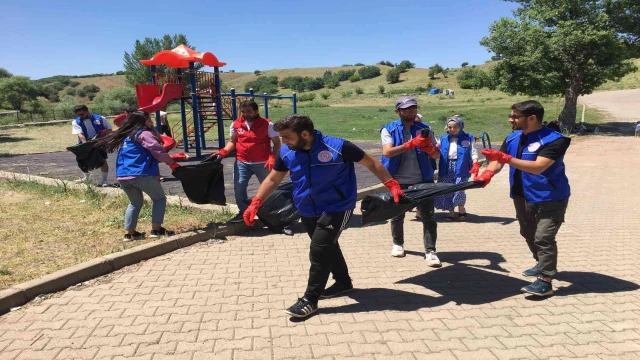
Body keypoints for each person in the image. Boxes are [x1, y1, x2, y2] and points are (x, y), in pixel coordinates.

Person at [242, 114, 404, 318]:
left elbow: (371, 163)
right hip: (307, 208)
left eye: (287, 137)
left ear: (305, 134)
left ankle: (310, 299)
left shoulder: (338, 147)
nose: (284, 142)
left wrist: (392, 185)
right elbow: (274, 179)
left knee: (319, 250)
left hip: (337, 206)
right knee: (328, 246)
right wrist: (256, 203)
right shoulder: (287, 151)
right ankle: (343, 283)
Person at [476, 100, 571, 297]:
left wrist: (505, 159)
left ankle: (545, 280)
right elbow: (497, 160)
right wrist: (487, 174)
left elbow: (538, 167)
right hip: (521, 195)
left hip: (550, 196)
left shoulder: (555, 140)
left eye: (515, 116)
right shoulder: (512, 138)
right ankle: (540, 263)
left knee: (543, 237)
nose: (510, 119)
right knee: (528, 233)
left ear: (532, 117)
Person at [96, 111, 181, 242]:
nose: (151, 123)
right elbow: (157, 150)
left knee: (135, 203)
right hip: (141, 173)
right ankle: (156, 229)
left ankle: (129, 233)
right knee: (159, 199)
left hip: (123, 175)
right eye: (148, 121)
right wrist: (172, 163)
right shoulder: (144, 133)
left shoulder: (126, 136)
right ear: (142, 122)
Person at [380, 96, 441, 267]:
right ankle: (398, 244)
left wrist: (429, 148)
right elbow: (388, 152)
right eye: (406, 110)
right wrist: (411, 144)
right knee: (397, 215)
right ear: (397, 111)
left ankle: (430, 251)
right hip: (398, 180)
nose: (410, 113)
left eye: (413, 109)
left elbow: (437, 155)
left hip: (424, 179)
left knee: (428, 217)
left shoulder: (425, 128)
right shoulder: (389, 129)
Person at [208, 100, 281, 222]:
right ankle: (243, 212)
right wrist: (223, 152)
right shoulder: (236, 124)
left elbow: (277, 143)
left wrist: (273, 156)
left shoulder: (268, 124)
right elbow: (232, 142)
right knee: (239, 186)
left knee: (269, 188)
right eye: (243, 112)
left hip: (263, 162)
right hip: (242, 162)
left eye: (249, 111)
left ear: (256, 111)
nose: (245, 114)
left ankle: (273, 214)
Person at [434, 116, 480, 221]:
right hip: (446, 166)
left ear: (460, 126)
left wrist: (476, 163)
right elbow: (436, 149)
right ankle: (451, 211)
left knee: (459, 188)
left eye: (455, 127)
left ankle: (461, 208)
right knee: (448, 188)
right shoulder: (443, 138)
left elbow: (473, 151)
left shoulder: (468, 137)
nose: (452, 129)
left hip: (462, 166)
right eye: (449, 127)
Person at [71, 105, 112, 186]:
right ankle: (86, 178)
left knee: (102, 161)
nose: (80, 116)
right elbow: (80, 134)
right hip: (84, 143)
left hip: (99, 143)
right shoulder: (75, 122)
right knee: (83, 160)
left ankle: (104, 180)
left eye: (82, 114)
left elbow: (109, 130)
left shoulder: (100, 118)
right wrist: (86, 144)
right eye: (78, 115)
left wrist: (103, 135)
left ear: (87, 111)